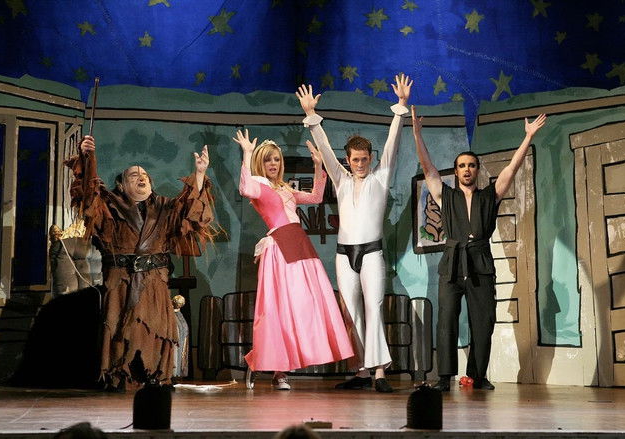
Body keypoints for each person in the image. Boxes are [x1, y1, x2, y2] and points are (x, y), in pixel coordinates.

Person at [411, 106, 546, 391]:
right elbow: (428, 168)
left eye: (471, 165)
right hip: (452, 264)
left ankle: (478, 375)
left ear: (477, 170)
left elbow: (511, 169)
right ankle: (444, 377)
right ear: (456, 171)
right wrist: (417, 134)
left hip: (480, 264)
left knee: (483, 322)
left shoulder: (489, 196)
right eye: (462, 165)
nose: (467, 169)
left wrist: (528, 137)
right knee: (446, 321)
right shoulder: (445, 195)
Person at [67, 135, 217, 390]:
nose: (141, 177)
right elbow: (88, 195)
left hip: (154, 282)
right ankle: (119, 376)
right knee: (119, 329)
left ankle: (155, 374)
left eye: (145, 174)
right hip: (122, 281)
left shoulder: (164, 208)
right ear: (121, 184)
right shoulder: (109, 206)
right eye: (133, 175)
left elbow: (190, 211)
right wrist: (87, 157)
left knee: (153, 329)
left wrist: (200, 174)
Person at [295, 74, 413, 393]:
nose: (360, 163)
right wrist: (311, 115)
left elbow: (393, 145)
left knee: (374, 308)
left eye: (364, 159)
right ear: (347, 160)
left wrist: (400, 107)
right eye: (355, 160)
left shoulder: (380, 178)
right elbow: (324, 149)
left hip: (371, 252)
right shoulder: (341, 180)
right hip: (344, 255)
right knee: (351, 313)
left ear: (371, 159)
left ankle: (379, 373)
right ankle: (361, 371)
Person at [233, 129, 354, 390]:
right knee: (280, 309)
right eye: (268, 159)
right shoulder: (259, 184)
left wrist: (318, 165)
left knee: (306, 305)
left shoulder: (285, 188)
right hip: (280, 247)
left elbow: (316, 197)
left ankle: (283, 364)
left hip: (299, 244)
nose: (273, 164)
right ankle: (278, 370)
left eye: (276, 159)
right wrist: (247, 153)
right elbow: (244, 188)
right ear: (260, 163)